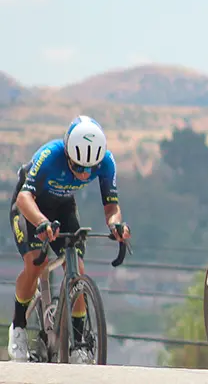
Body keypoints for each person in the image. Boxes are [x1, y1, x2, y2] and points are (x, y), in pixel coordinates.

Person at [7, 115, 131, 362]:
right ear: (67, 153)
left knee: (77, 269)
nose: (84, 174)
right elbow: (24, 198)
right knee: (36, 264)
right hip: (31, 207)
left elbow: (111, 206)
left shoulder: (106, 161)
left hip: (63, 207)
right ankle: (18, 326)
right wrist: (41, 222)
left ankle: (79, 345)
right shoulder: (50, 155)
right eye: (78, 167)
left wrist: (116, 224)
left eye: (90, 169)